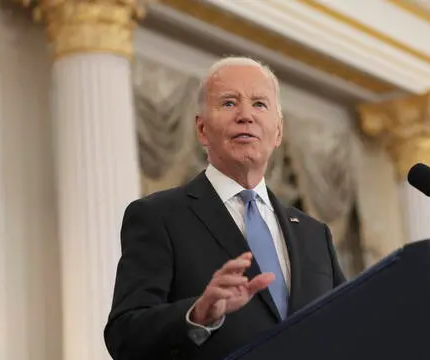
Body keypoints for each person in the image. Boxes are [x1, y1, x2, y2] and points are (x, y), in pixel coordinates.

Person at [104, 57, 346, 360]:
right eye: (229, 103)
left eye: (259, 104)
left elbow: (347, 325)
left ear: (278, 132)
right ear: (202, 129)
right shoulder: (159, 216)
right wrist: (197, 314)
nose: (246, 115)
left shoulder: (315, 234)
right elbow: (124, 335)